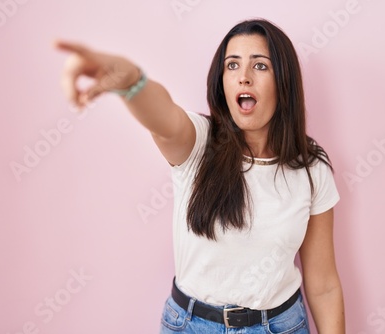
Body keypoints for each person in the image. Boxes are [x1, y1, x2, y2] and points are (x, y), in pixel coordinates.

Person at [56, 18, 345, 334]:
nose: (243, 78)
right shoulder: (198, 142)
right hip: (192, 326)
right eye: (232, 65)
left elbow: (324, 285)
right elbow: (164, 116)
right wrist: (131, 81)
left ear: (284, 81)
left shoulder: (310, 167)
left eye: (260, 66)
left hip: (280, 325)